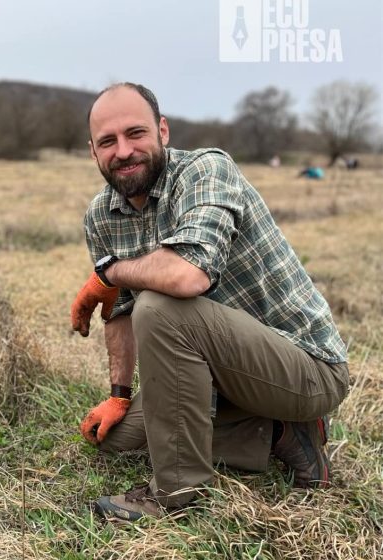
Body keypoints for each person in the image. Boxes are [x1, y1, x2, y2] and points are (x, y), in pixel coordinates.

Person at [70, 83, 350, 521]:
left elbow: (188, 275)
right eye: (108, 141)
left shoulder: (206, 171)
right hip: (225, 369)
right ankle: (281, 435)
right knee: (117, 439)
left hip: (305, 368)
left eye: (135, 133)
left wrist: (110, 271)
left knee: (160, 308)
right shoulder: (100, 216)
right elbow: (120, 311)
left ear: (162, 130)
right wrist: (119, 395)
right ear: (93, 152)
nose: (123, 151)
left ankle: (176, 493)